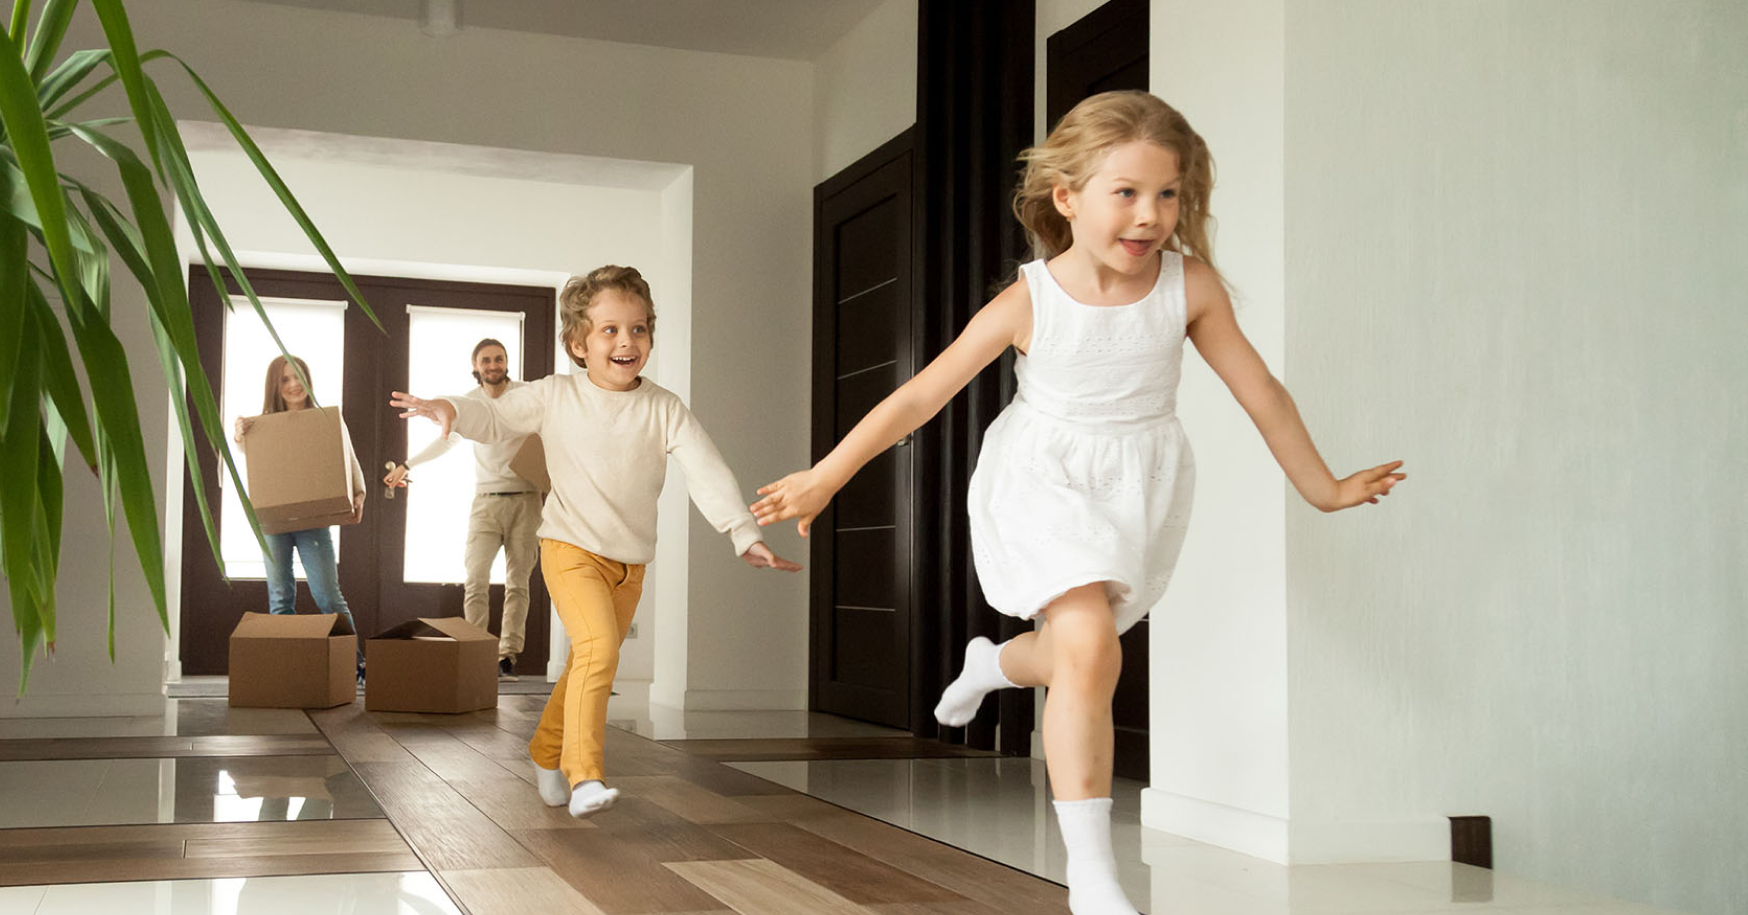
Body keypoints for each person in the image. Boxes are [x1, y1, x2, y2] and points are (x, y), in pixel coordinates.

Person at [750, 90, 1405, 915]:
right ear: (1068, 197)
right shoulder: (1031, 299)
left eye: (1167, 194)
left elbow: (1260, 391)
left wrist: (1324, 486)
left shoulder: (1189, 287)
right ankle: (1093, 875)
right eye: (1125, 192)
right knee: (1092, 645)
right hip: (1042, 477)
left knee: (1077, 655)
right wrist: (828, 474)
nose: (1150, 214)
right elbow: (920, 398)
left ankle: (993, 662)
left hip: (1137, 482)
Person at [391, 265, 801, 819]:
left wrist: (742, 533)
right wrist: (450, 409)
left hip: (629, 563)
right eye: (609, 330)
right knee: (600, 651)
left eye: (638, 329)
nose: (626, 341)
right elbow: (492, 415)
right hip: (569, 547)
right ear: (578, 343)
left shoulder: (664, 408)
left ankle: (544, 750)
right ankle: (585, 775)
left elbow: (708, 471)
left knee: (589, 659)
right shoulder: (554, 396)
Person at [385, 339, 539, 681]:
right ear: (476, 366)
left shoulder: (526, 395)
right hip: (485, 502)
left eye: (498, 359)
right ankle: (476, 650)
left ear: (506, 362)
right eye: (486, 360)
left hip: (527, 500)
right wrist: (408, 465)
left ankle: (506, 657)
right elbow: (446, 438)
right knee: (476, 580)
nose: (493, 365)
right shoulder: (469, 404)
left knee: (518, 584)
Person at [235, 355, 368, 682]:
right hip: (273, 523)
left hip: (313, 519)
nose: (294, 384)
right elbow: (254, 460)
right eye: (285, 379)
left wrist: (359, 493)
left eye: (299, 377)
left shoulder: (324, 420)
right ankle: (286, 668)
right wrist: (240, 436)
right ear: (275, 387)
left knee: (327, 595)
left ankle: (357, 664)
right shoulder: (262, 424)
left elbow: (346, 456)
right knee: (280, 597)